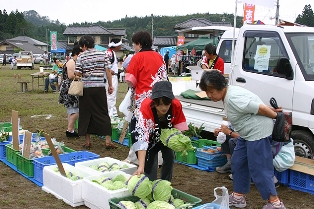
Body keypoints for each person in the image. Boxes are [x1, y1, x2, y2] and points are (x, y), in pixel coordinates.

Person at [199, 70, 286, 209]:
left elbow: (261, 108)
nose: (209, 95)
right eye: (207, 92)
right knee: (238, 161)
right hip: (247, 134)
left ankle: (275, 203)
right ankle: (238, 197)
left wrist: (278, 118)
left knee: (259, 168)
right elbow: (255, 106)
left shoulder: (233, 97)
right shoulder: (228, 94)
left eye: (212, 91)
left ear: (220, 87)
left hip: (258, 133)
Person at [124, 30, 168, 168]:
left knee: (139, 129)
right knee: (156, 128)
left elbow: (130, 80)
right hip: (159, 99)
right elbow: (164, 77)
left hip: (143, 100)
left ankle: (137, 159)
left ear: (139, 44)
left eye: (135, 44)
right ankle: (159, 159)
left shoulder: (137, 58)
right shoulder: (159, 56)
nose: (134, 47)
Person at [132, 81, 188, 181]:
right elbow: (142, 138)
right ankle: (149, 183)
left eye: (167, 104)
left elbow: (179, 127)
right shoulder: (146, 107)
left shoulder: (176, 105)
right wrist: (141, 166)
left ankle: (165, 184)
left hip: (166, 132)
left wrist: (179, 141)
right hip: (146, 133)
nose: (164, 108)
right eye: (160, 104)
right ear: (154, 101)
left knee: (170, 156)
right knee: (149, 161)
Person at [75, 35, 117, 149]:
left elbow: (77, 73)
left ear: (84, 45)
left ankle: (88, 142)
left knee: (86, 114)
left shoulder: (81, 56)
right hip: (99, 88)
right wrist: (110, 85)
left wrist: (85, 74)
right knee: (103, 112)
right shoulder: (103, 54)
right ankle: (108, 141)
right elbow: (108, 70)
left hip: (86, 89)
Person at [58, 44, 81, 138]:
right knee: (76, 110)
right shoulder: (71, 62)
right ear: (77, 53)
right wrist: (81, 76)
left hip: (71, 86)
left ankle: (70, 129)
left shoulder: (72, 61)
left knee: (72, 110)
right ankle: (70, 129)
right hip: (70, 87)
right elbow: (71, 76)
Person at [105, 38, 122, 117]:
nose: (121, 46)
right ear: (117, 46)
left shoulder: (111, 52)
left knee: (112, 96)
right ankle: (111, 113)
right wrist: (110, 71)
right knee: (111, 96)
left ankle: (113, 112)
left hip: (112, 76)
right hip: (111, 76)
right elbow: (107, 67)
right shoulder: (110, 53)